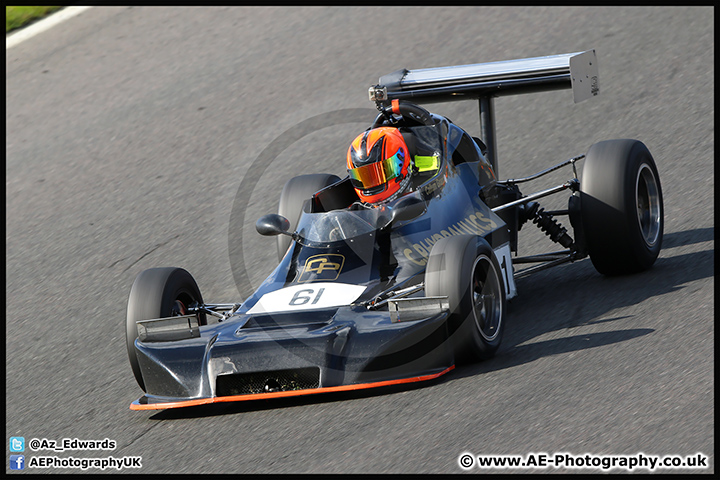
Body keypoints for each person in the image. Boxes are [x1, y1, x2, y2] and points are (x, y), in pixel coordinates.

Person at [346, 127, 413, 205]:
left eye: (383, 171)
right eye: (365, 176)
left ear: (401, 161)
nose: (373, 182)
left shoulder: (426, 190)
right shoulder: (357, 210)